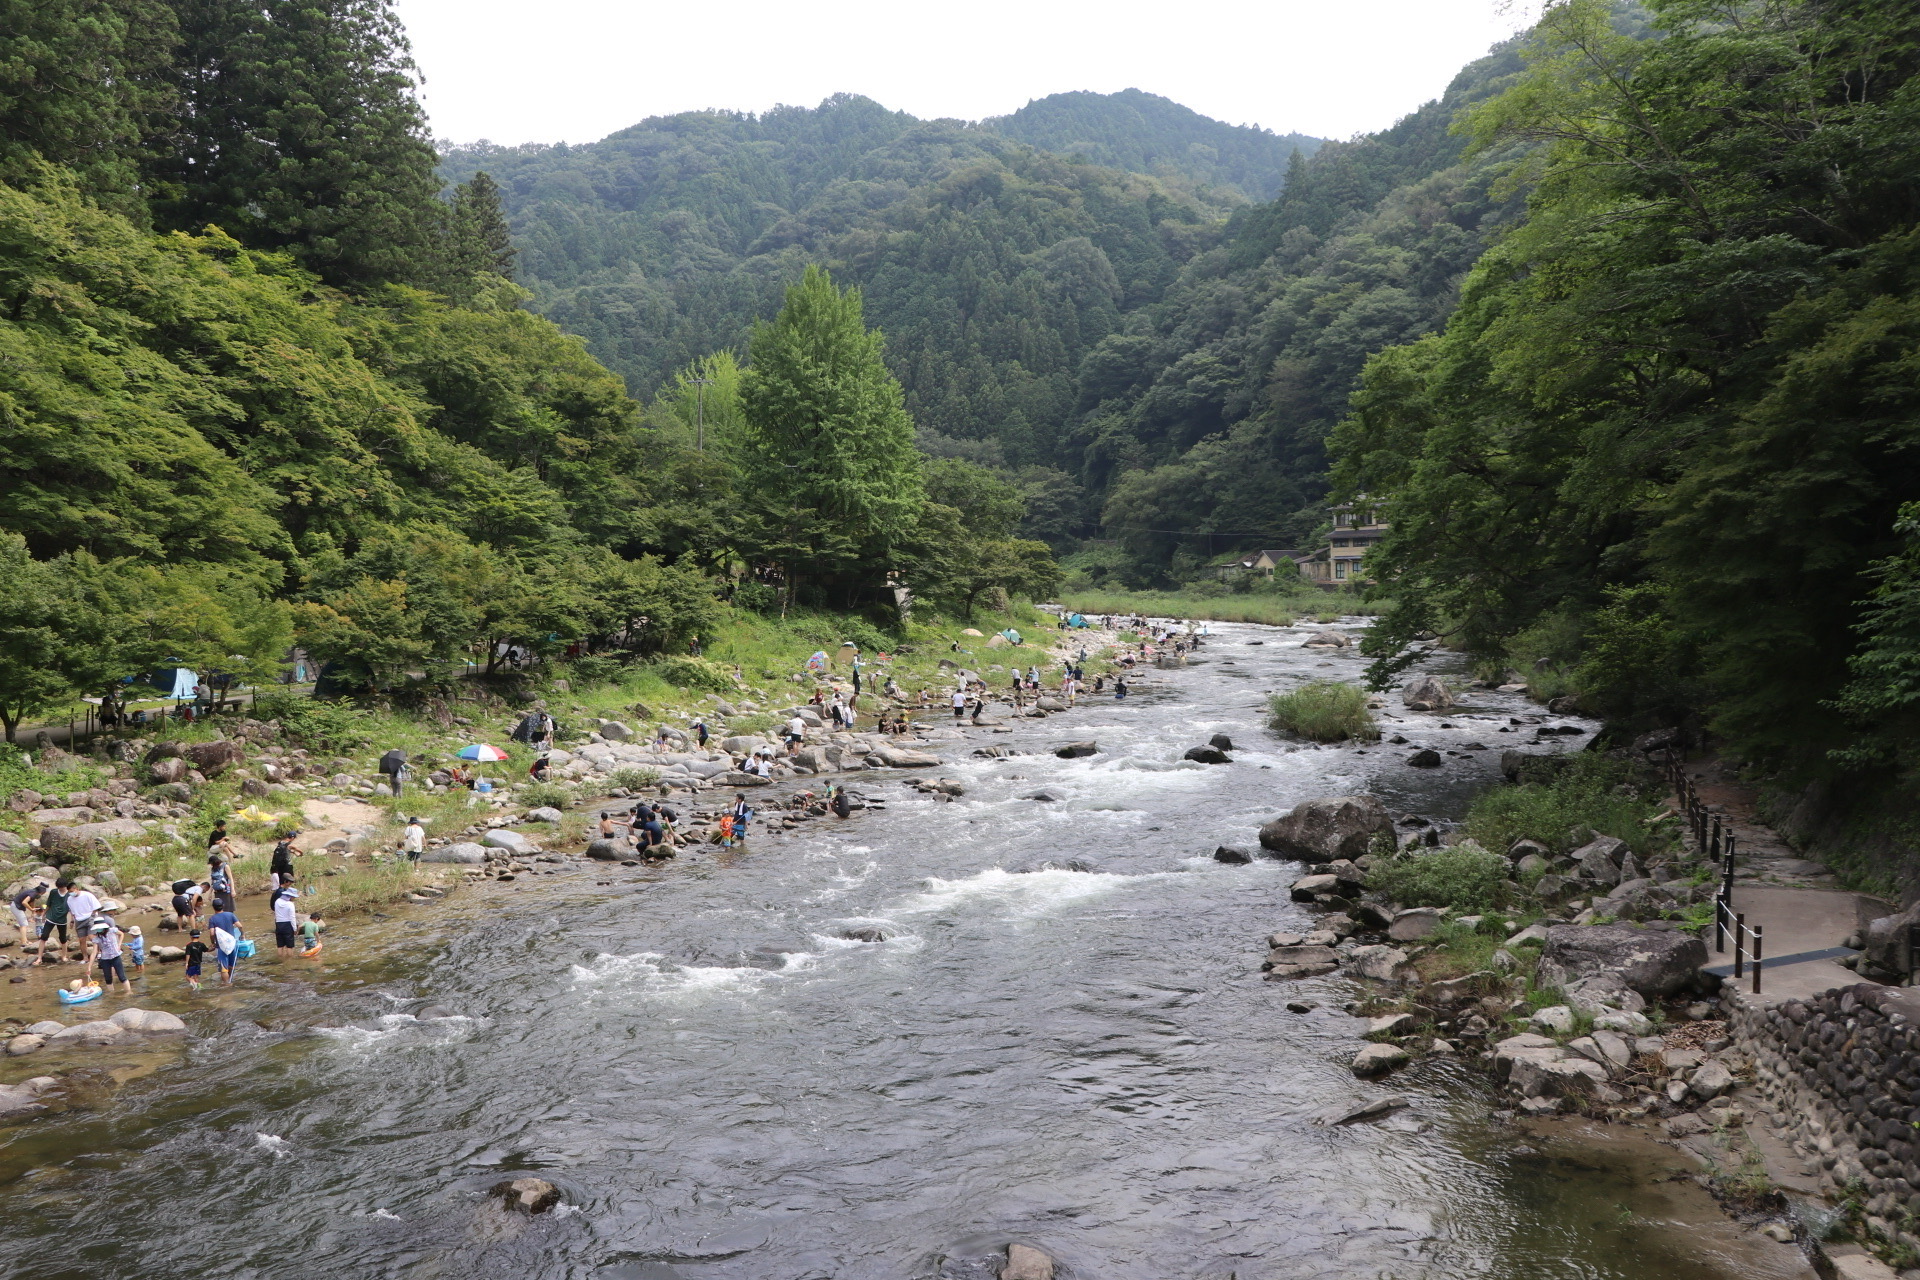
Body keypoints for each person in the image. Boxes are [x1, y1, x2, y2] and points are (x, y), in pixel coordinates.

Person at [92, 917, 130, 994]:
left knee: (122, 977)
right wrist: (89, 967)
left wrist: (119, 944)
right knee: (108, 979)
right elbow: (94, 952)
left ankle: (129, 993)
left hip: (115, 956)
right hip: (105, 959)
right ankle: (112, 994)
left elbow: (121, 934)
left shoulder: (112, 930)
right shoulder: (97, 938)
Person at [208, 904, 242, 986]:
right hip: (232, 943)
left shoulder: (212, 918)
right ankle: (230, 979)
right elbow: (240, 926)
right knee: (231, 965)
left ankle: (226, 985)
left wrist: (213, 942)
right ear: (223, 906)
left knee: (223, 968)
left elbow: (212, 933)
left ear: (213, 907)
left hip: (221, 946)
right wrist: (242, 935)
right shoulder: (230, 914)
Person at [11, 882, 44, 948]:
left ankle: (25, 940)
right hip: (16, 907)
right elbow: (24, 902)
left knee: (24, 924)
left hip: (16, 906)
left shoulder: (34, 893)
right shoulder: (33, 893)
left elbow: (32, 902)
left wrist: (33, 911)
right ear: (41, 891)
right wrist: (31, 910)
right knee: (24, 924)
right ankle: (23, 942)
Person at [271, 884, 300, 959]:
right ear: (290, 896)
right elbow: (292, 917)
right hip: (288, 925)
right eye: (293, 897)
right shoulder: (290, 904)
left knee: (280, 945)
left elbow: (276, 913)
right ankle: (289, 961)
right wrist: (294, 929)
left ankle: (281, 960)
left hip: (278, 924)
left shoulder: (277, 901)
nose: (294, 898)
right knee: (289, 946)